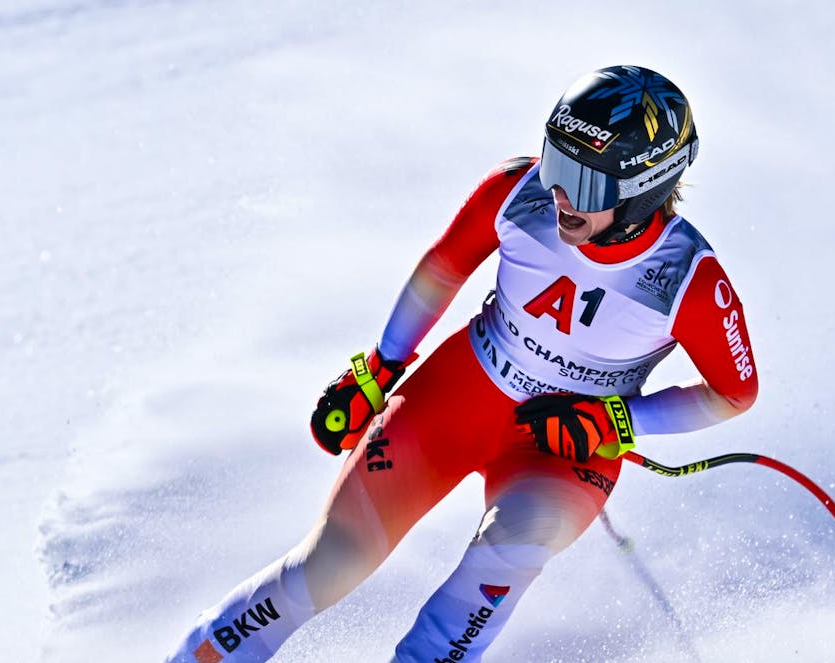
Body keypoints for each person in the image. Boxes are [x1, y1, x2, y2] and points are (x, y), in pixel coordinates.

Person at [165, 64, 758, 663]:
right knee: (329, 565)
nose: (559, 195)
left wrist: (618, 421)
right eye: (557, 164)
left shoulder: (689, 279)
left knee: (500, 563)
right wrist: (379, 368)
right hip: (457, 398)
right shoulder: (517, 192)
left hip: (564, 448)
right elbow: (444, 267)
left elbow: (736, 393)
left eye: (585, 183)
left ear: (644, 189)